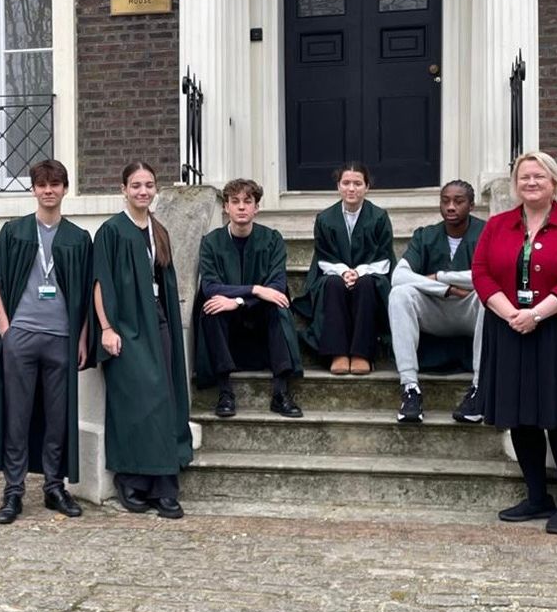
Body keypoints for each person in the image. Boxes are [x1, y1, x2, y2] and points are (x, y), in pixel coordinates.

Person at [472, 151, 557, 535]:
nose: (531, 183)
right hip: (509, 328)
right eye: (524, 177)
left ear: (554, 182)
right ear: (515, 185)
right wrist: (510, 312)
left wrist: (537, 313)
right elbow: (481, 272)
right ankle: (537, 496)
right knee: (519, 415)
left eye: (538, 177)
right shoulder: (497, 225)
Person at [0, 159, 93, 525]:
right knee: (17, 417)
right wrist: (7, 331)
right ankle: (13, 491)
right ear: (34, 189)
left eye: (55, 184)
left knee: (58, 418)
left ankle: (55, 487)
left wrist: (83, 338)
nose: (49, 190)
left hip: (62, 339)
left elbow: (86, 293)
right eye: (42, 184)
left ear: (65, 189)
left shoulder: (78, 238)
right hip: (21, 337)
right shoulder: (14, 232)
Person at [93, 161, 192, 519]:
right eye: (136, 185)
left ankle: (165, 486)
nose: (143, 191)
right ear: (124, 189)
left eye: (149, 185)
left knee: (163, 399)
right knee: (134, 403)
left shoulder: (159, 230)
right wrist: (106, 328)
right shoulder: (111, 232)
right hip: (125, 327)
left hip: (158, 321)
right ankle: (131, 481)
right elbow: (100, 282)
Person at [193, 178, 303, 418]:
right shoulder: (211, 242)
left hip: (261, 327)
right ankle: (224, 392)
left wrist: (239, 301)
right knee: (211, 308)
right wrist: (255, 289)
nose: (241, 207)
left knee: (278, 306)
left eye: (247, 201)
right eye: (235, 202)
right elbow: (210, 287)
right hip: (230, 333)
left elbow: (276, 286)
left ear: (256, 207)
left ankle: (280, 392)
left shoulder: (272, 239)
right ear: (226, 207)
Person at [389, 180, 487, 424]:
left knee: (491, 297)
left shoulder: (487, 233)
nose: (450, 207)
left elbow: (491, 276)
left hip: (472, 312)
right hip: (434, 311)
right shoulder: (426, 235)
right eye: (445, 201)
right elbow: (399, 276)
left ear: (472, 205)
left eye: (458, 201)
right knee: (399, 295)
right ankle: (410, 389)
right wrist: (447, 289)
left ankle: (479, 389)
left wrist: (442, 275)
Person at [295, 162, 395, 375]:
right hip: (333, 273)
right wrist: (343, 271)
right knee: (332, 284)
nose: (352, 188)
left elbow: (384, 256)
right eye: (346, 183)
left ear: (367, 187)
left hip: (370, 274)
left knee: (367, 284)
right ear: (338, 187)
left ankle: (362, 353)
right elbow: (323, 256)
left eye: (358, 183)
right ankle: (337, 352)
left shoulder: (379, 217)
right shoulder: (324, 219)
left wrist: (358, 272)